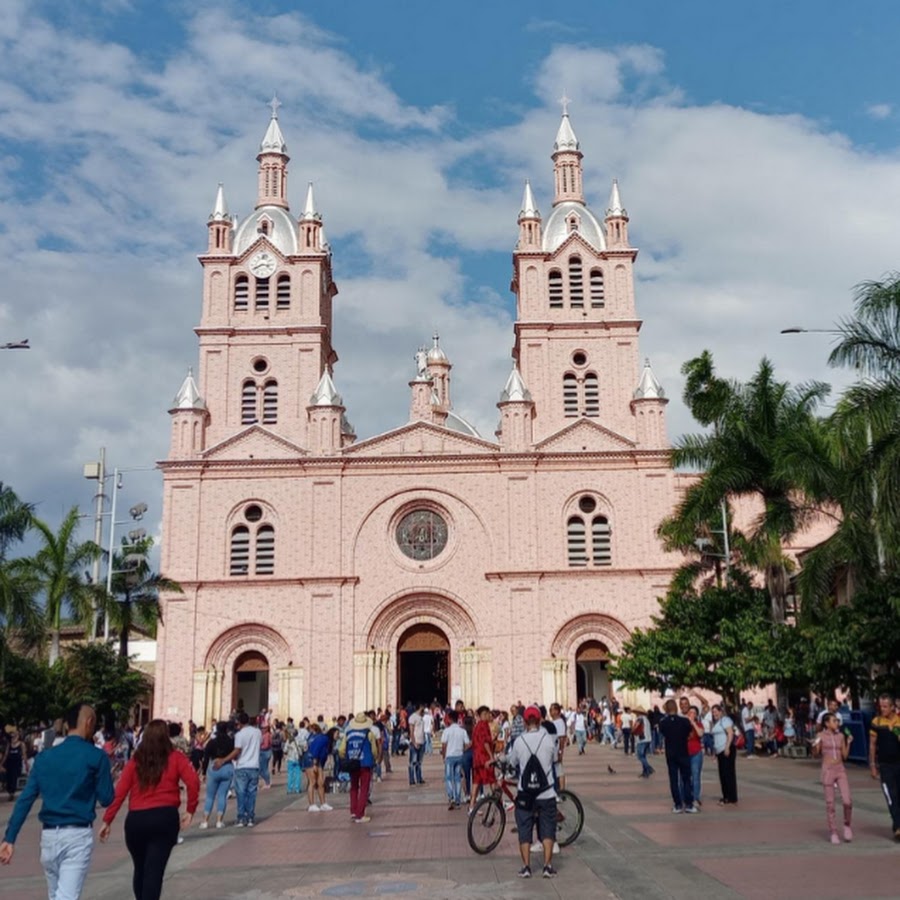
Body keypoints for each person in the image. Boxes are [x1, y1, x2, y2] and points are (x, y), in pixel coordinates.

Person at [0, 703, 114, 899]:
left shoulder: (45, 758)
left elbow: (26, 799)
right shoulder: (96, 757)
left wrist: (10, 837)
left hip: (49, 837)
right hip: (77, 834)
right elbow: (106, 798)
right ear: (88, 723)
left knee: (56, 895)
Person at [99, 719, 199, 900]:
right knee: (154, 871)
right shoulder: (176, 758)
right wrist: (190, 809)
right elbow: (193, 782)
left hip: (136, 820)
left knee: (141, 868)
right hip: (164, 818)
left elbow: (120, 792)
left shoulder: (135, 761)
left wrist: (107, 820)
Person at [507, 705, 558, 879]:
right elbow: (555, 759)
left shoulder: (520, 741)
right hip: (546, 792)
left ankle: (526, 867)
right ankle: (547, 866)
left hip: (525, 793)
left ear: (526, 722)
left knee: (524, 828)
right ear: (539, 719)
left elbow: (512, 762)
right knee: (548, 828)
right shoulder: (547, 738)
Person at [213, 711, 261, 827]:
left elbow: (237, 750)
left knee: (241, 793)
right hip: (254, 766)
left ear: (239, 722)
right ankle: (250, 817)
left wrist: (224, 760)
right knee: (252, 793)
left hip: (242, 766)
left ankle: (241, 818)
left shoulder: (239, 735)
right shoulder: (257, 732)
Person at [812, 712, 853, 844]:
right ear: (827, 723)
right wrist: (814, 745)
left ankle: (847, 825)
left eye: (837, 721)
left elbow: (845, 756)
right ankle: (833, 831)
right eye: (834, 721)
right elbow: (816, 754)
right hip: (828, 770)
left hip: (840, 769)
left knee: (847, 801)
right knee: (830, 804)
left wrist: (849, 742)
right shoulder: (821, 736)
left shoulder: (841, 736)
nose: (837, 723)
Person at [868, 692, 900, 841]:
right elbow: (872, 744)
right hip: (885, 766)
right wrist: (872, 765)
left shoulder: (899, 722)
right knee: (891, 796)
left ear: (893, 707)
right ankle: (898, 826)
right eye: (881, 706)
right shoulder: (876, 722)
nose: (883, 709)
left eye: (886, 706)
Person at [338, 712, 378, 824]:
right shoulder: (369, 733)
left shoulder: (348, 733)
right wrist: (374, 758)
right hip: (365, 763)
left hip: (352, 763)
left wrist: (347, 757)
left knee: (354, 787)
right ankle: (360, 814)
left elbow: (341, 750)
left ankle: (354, 811)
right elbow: (374, 750)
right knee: (364, 788)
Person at [657, 699, 696, 813]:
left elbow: (663, 733)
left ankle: (678, 804)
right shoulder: (684, 721)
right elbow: (689, 733)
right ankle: (689, 803)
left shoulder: (663, 722)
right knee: (686, 779)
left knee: (674, 780)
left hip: (671, 754)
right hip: (683, 752)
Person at [200, 721, 234, 830]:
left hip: (214, 767)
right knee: (222, 796)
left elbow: (205, 758)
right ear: (227, 729)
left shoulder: (212, 742)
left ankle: (205, 821)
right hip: (227, 767)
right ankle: (219, 821)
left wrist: (204, 773)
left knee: (210, 796)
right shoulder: (231, 742)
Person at [469, 706, 496, 812]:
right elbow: (485, 742)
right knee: (492, 779)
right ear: (480, 715)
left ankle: (471, 806)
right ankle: (500, 803)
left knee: (476, 782)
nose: (487, 716)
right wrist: (491, 756)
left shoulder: (476, 726)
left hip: (477, 758)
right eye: (484, 714)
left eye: (487, 714)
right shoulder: (484, 725)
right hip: (484, 758)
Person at [441, 713, 469, 810]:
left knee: (449, 778)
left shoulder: (447, 731)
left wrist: (443, 756)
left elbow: (444, 745)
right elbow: (467, 744)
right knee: (457, 778)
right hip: (459, 756)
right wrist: (462, 750)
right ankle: (457, 799)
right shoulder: (462, 731)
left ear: (449, 719)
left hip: (450, 756)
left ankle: (451, 797)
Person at [711, 704, 738, 805]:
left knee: (728, 773)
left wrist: (727, 747)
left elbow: (730, 733)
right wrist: (714, 752)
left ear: (721, 711)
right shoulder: (716, 723)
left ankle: (731, 797)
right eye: (713, 712)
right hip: (719, 751)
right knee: (722, 774)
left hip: (726, 749)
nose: (715, 714)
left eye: (716, 711)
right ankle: (726, 795)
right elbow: (715, 739)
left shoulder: (725, 720)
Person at [306, 724, 334, 812]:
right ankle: (311, 805)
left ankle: (323, 803)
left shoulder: (326, 740)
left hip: (318, 762)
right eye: (337, 733)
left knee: (321, 782)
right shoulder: (323, 738)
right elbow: (315, 749)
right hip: (311, 760)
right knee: (312, 782)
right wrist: (314, 763)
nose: (338, 736)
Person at [2, 727, 24, 800]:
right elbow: (6, 754)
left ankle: (12, 793)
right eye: (13, 734)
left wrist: (26, 764)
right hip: (9, 763)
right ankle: (9, 791)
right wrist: (2, 763)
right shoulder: (9, 744)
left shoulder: (21, 744)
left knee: (14, 778)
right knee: (8, 778)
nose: (14, 735)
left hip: (16, 763)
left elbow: (24, 754)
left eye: (16, 734)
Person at [633, 707, 654, 777]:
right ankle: (645, 772)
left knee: (640, 756)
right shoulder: (646, 719)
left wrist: (632, 731)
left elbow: (636, 728)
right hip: (648, 739)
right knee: (643, 756)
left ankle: (649, 768)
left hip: (642, 739)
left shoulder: (639, 719)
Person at [407, 705, 426, 786]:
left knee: (419, 762)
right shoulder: (412, 717)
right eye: (422, 708)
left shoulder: (421, 717)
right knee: (413, 762)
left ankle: (419, 778)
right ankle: (412, 779)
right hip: (415, 742)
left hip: (421, 742)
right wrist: (414, 742)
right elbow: (411, 731)